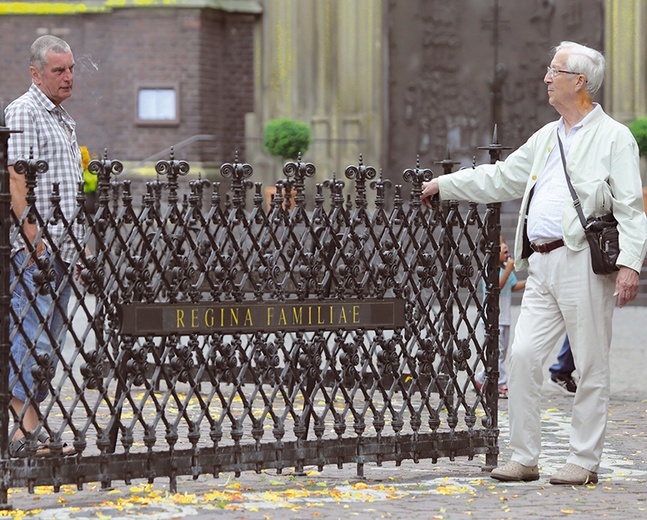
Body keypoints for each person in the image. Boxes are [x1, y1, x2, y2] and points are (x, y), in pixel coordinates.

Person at [421, 41, 647, 485]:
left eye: (554, 71)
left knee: (590, 365)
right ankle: (524, 457)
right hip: (540, 264)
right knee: (522, 356)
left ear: (578, 81)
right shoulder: (548, 136)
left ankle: (583, 460)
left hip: (582, 261)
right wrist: (445, 184)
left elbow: (629, 207)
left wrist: (630, 264)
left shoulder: (614, 137)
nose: (546, 77)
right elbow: (502, 176)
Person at [5, 35, 86, 456]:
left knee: (49, 343)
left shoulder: (59, 116)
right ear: (36, 73)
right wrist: (33, 238)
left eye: (71, 68)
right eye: (59, 70)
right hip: (37, 250)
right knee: (29, 336)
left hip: (64, 248)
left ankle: (30, 427)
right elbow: (17, 177)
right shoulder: (25, 110)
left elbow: (69, 188)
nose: (69, 76)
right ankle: (20, 435)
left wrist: (79, 245)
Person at [476, 236, 526, 399]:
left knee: (501, 352)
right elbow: (497, 286)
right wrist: (508, 270)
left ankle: (482, 378)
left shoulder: (505, 267)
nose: (504, 246)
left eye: (504, 241)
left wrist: (530, 281)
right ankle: (500, 383)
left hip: (504, 317)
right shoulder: (489, 269)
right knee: (497, 351)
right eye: (499, 243)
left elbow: (513, 286)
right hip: (491, 318)